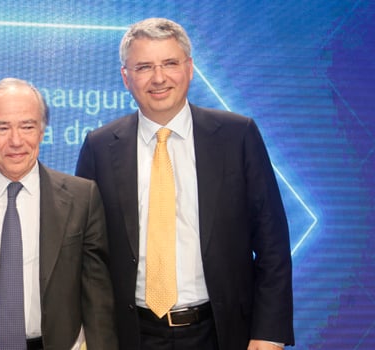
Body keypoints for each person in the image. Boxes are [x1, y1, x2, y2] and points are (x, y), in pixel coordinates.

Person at [75, 17, 294, 350]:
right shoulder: (99, 147)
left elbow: (273, 246)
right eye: (144, 67)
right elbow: (86, 256)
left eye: (170, 63)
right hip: (131, 336)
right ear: (126, 77)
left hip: (221, 333)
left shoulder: (238, 136)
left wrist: (268, 335)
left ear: (189, 68)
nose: (159, 78)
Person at [0, 78, 118, 350]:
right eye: (2, 127)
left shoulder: (82, 198)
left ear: (42, 130)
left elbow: (97, 298)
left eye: (27, 126)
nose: (16, 140)